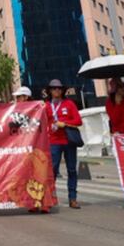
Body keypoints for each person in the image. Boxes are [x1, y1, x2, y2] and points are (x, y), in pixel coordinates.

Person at [47, 79, 83, 210]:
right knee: (53, 170)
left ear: (62, 90)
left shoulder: (69, 104)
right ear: (50, 91)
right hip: (53, 141)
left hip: (69, 141)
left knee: (72, 170)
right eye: (54, 88)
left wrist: (65, 124)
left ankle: (72, 199)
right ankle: (49, 198)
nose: (57, 90)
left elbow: (79, 121)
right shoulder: (46, 106)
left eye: (59, 88)